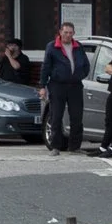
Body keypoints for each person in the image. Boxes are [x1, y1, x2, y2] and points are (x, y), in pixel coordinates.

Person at [39, 22, 88, 154]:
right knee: (56, 116)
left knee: (77, 117)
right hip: (57, 85)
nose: (68, 35)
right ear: (60, 32)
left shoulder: (78, 47)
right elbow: (46, 67)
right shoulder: (52, 47)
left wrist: (79, 75)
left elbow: (86, 65)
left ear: (74, 34)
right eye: (65, 32)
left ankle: (75, 147)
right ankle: (55, 146)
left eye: (70, 33)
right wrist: (42, 86)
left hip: (75, 86)